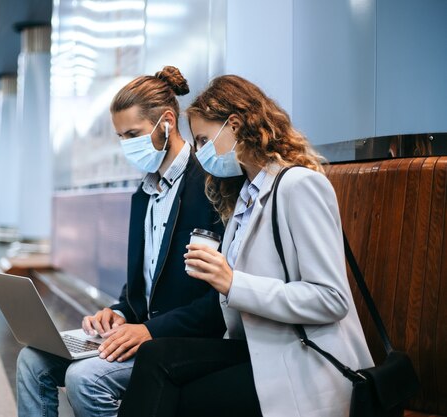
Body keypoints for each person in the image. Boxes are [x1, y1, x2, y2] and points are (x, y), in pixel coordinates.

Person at [117, 75, 374, 417]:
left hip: (304, 360)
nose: (202, 152)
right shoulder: (244, 195)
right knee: (155, 357)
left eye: (205, 139)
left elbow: (332, 299)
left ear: (235, 125)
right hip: (258, 350)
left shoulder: (299, 185)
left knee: (174, 390)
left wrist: (232, 283)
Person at [16, 66, 226, 417]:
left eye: (133, 134)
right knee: (32, 360)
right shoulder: (143, 195)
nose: (127, 146)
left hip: (184, 340)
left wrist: (147, 330)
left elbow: (215, 302)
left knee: (85, 379)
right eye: (121, 137)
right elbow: (139, 292)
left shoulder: (209, 187)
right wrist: (115, 314)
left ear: (167, 123)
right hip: (141, 331)